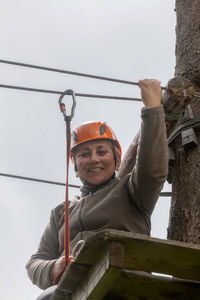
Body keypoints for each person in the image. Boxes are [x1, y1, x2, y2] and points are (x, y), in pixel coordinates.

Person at [26, 79, 168, 300]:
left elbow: (152, 170)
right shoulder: (61, 213)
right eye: (84, 154)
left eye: (101, 151)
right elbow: (35, 262)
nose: (94, 159)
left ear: (117, 159)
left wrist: (152, 109)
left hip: (122, 283)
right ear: (75, 167)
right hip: (77, 291)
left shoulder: (131, 190)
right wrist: (55, 266)